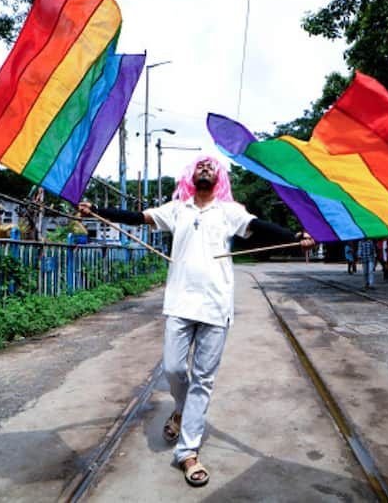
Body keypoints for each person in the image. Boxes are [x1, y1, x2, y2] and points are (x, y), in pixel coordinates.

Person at [78, 156, 314, 487]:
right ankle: (182, 408)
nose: (205, 168)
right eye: (200, 166)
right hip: (180, 303)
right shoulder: (178, 208)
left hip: (216, 307)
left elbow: (259, 226)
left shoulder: (229, 210)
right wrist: (98, 211)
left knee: (203, 378)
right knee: (173, 369)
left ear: (219, 178)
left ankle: (187, 452)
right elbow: (138, 216)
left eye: (211, 166)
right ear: (191, 175)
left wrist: (296, 234)